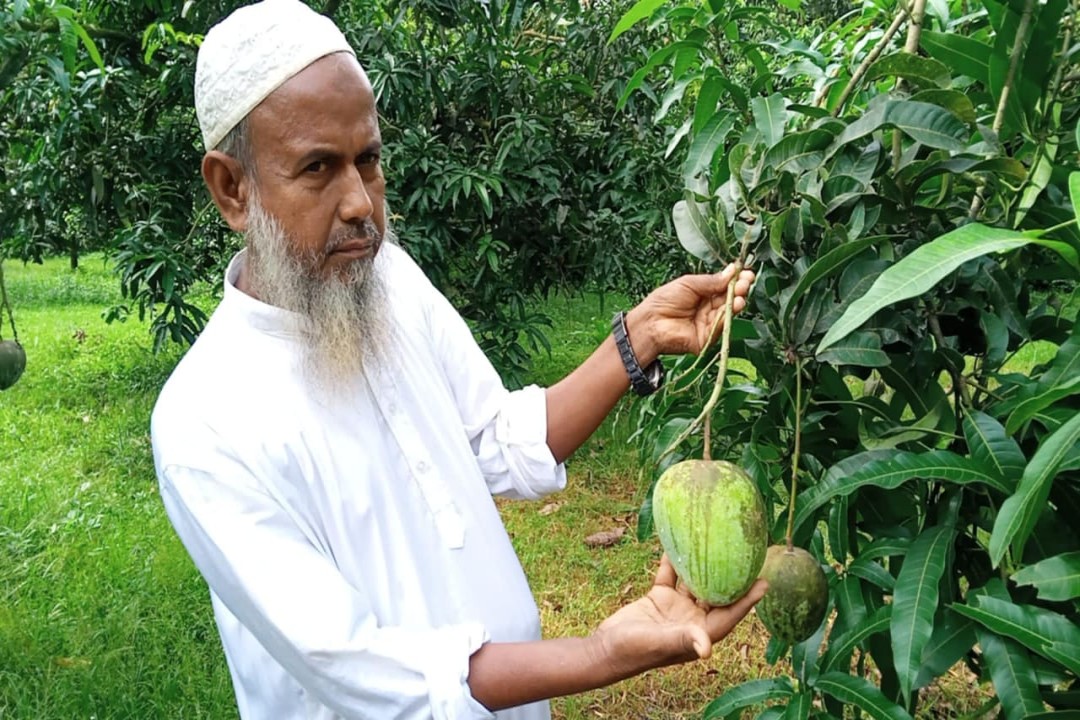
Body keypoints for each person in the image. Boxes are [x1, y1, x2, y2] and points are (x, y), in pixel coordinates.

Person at [150, 1, 763, 718]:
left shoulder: (391, 283)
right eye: (318, 168)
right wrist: (601, 652)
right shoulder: (203, 425)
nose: (360, 204)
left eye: (369, 160)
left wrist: (639, 338)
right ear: (233, 188)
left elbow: (496, 441)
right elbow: (358, 666)